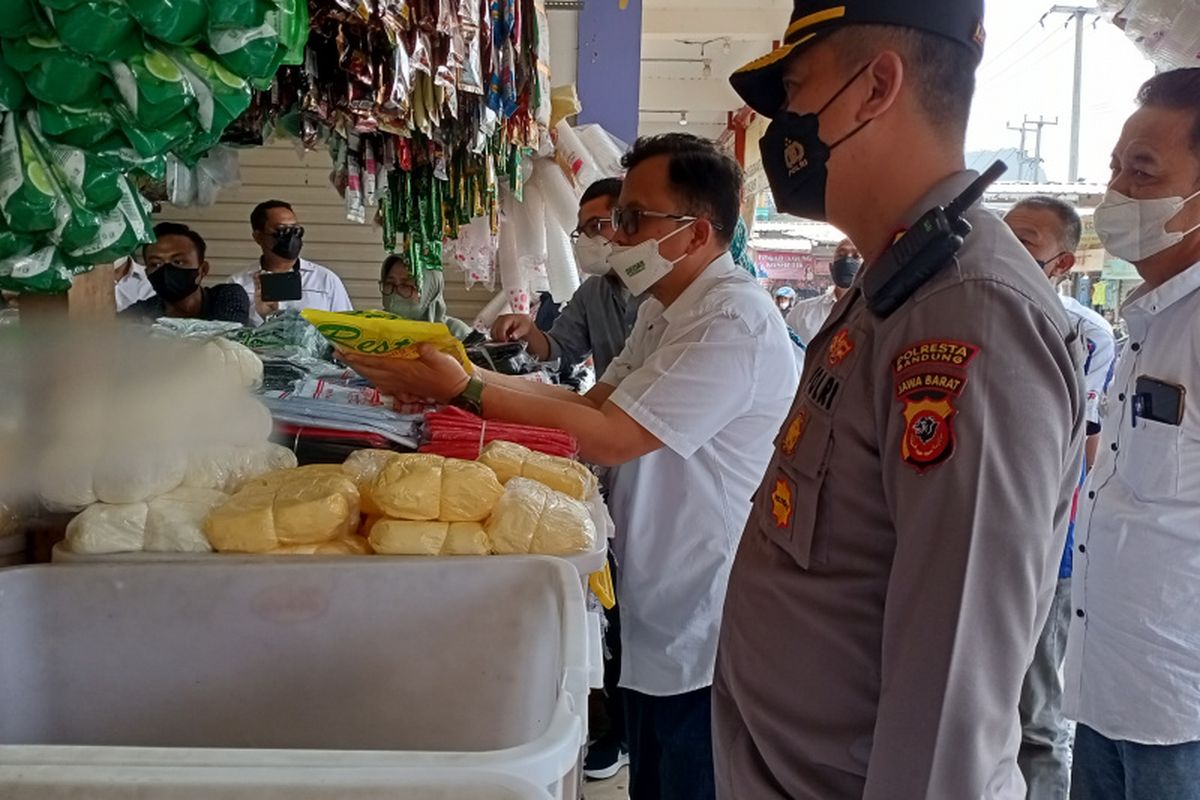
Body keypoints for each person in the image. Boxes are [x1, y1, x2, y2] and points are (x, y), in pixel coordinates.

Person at [342, 133, 798, 799]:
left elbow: (611, 437)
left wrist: (466, 391)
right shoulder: (664, 308)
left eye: (633, 219)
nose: (616, 236)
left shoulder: (732, 321)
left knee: (689, 770)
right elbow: (589, 403)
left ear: (697, 232)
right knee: (655, 769)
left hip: (706, 595)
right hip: (657, 581)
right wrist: (465, 375)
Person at [713, 2, 1087, 798]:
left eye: (796, 91)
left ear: (875, 87)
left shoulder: (969, 312)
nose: (782, 125)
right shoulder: (898, 282)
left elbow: (953, 697)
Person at [1064, 67, 1200, 800]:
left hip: (1183, 712)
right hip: (1107, 685)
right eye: (1116, 166)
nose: (1116, 190)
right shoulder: (1148, 321)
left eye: (1142, 172)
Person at [1004, 196, 1116, 800]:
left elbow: (1086, 446)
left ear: (1064, 262)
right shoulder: (972, 313)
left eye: (1025, 241)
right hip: (976, 540)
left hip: (1051, 546)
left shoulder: (1085, 333)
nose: (1006, 248)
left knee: (1038, 713)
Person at [492, 178, 639, 380]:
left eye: (595, 226)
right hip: (609, 399)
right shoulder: (592, 293)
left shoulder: (662, 289)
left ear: (624, 221)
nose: (586, 240)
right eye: (581, 232)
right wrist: (528, 329)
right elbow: (561, 351)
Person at [231, 200, 353, 326]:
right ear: (258, 237)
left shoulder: (325, 281)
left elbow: (347, 330)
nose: (291, 237)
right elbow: (228, 335)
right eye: (282, 230)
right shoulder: (238, 286)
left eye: (296, 230)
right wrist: (265, 318)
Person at [121, 222, 250, 325]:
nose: (166, 270)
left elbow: (228, 336)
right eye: (156, 264)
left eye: (178, 262)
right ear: (147, 273)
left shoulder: (227, 297)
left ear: (202, 270)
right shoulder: (141, 312)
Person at [785, 237, 862, 345]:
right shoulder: (802, 312)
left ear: (866, 267)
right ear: (831, 267)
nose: (848, 260)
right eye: (841, 255)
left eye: (856, 256)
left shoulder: (873, 316)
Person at [379, 255, 474, 340]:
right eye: (389, 283)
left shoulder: (457, 333)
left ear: (430, 292)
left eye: (406, 285)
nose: (396, 291)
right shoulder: (376, 329)